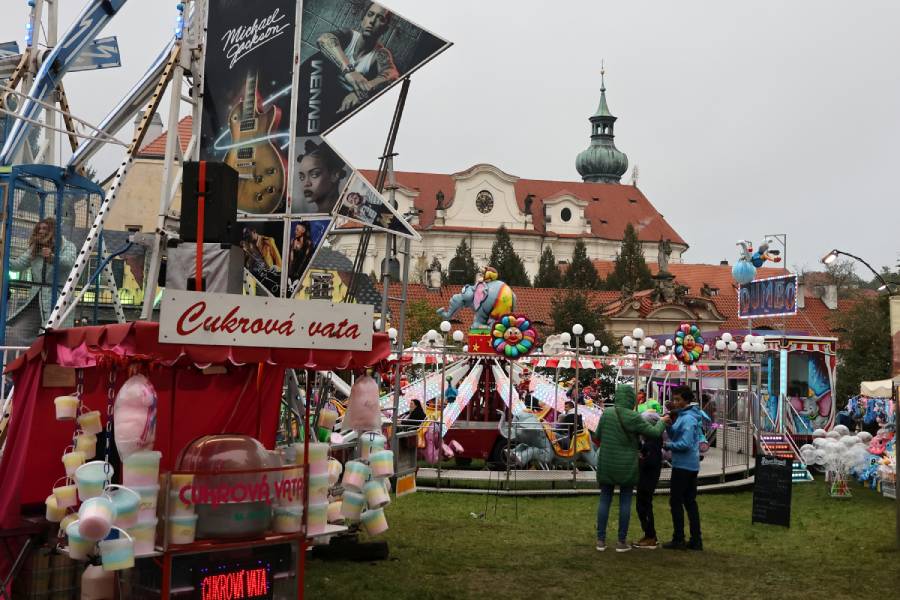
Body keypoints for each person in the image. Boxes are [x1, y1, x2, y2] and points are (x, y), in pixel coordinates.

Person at [594, 385, 669, 552]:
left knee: (604, 499)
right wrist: (662, 422)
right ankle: (621, 542)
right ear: (631, 399)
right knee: (625, 501)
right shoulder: (634, 416)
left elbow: (597, 436)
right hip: (627, 464)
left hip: (607, 462)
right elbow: (654, 432)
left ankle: (600, 540)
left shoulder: (607, 413)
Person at [316, 2, 400, 116]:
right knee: (316, 61)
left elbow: (393, 75)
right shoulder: (349, 35)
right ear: (363, 20)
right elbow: (323, 39)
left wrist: (361, 92)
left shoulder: (380, 53)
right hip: (323, 86)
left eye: (380, 18)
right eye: (370, 14)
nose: (372, 21)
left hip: (343, 100)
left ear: (385, 29)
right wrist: (349, 71)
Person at [8, 217, 76, 343]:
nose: (40, 231)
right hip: (37, 298)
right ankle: (26, 354)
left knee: (54, 336)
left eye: (44, 228)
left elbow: (69, 263)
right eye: (39, 228)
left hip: (57, 298)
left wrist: (52, 257)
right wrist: (3, 257)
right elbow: (18, 264)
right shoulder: (35, 248)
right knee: (16, 333)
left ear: (53, 230)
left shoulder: (68, 246)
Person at [663, 385, 704, 551]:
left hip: (684, 466)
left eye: (678, 399)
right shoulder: (683, 416)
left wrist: (667, 445)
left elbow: (685, 443)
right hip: (688, 465)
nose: (675, 402)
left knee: (676, 502)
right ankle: (695, 540)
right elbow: (676, 434)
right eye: (674, 399)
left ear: (686, 400)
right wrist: (668, 426)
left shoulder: (688, 419)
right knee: (689, 502)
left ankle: (679, 538)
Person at [633, 408, 664, 549]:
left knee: (644, 506)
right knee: (642, 506)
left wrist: (640, 460)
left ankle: (651, 536)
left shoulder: (652, 443)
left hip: (648, 479)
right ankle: (649, 535)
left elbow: (650, 461)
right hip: (646, 478)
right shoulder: (650, 442)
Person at [294, 140, 347, 214]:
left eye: (314, 174)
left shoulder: (349, 213)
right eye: (302, 177)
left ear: (335, 175)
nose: (306, 184)